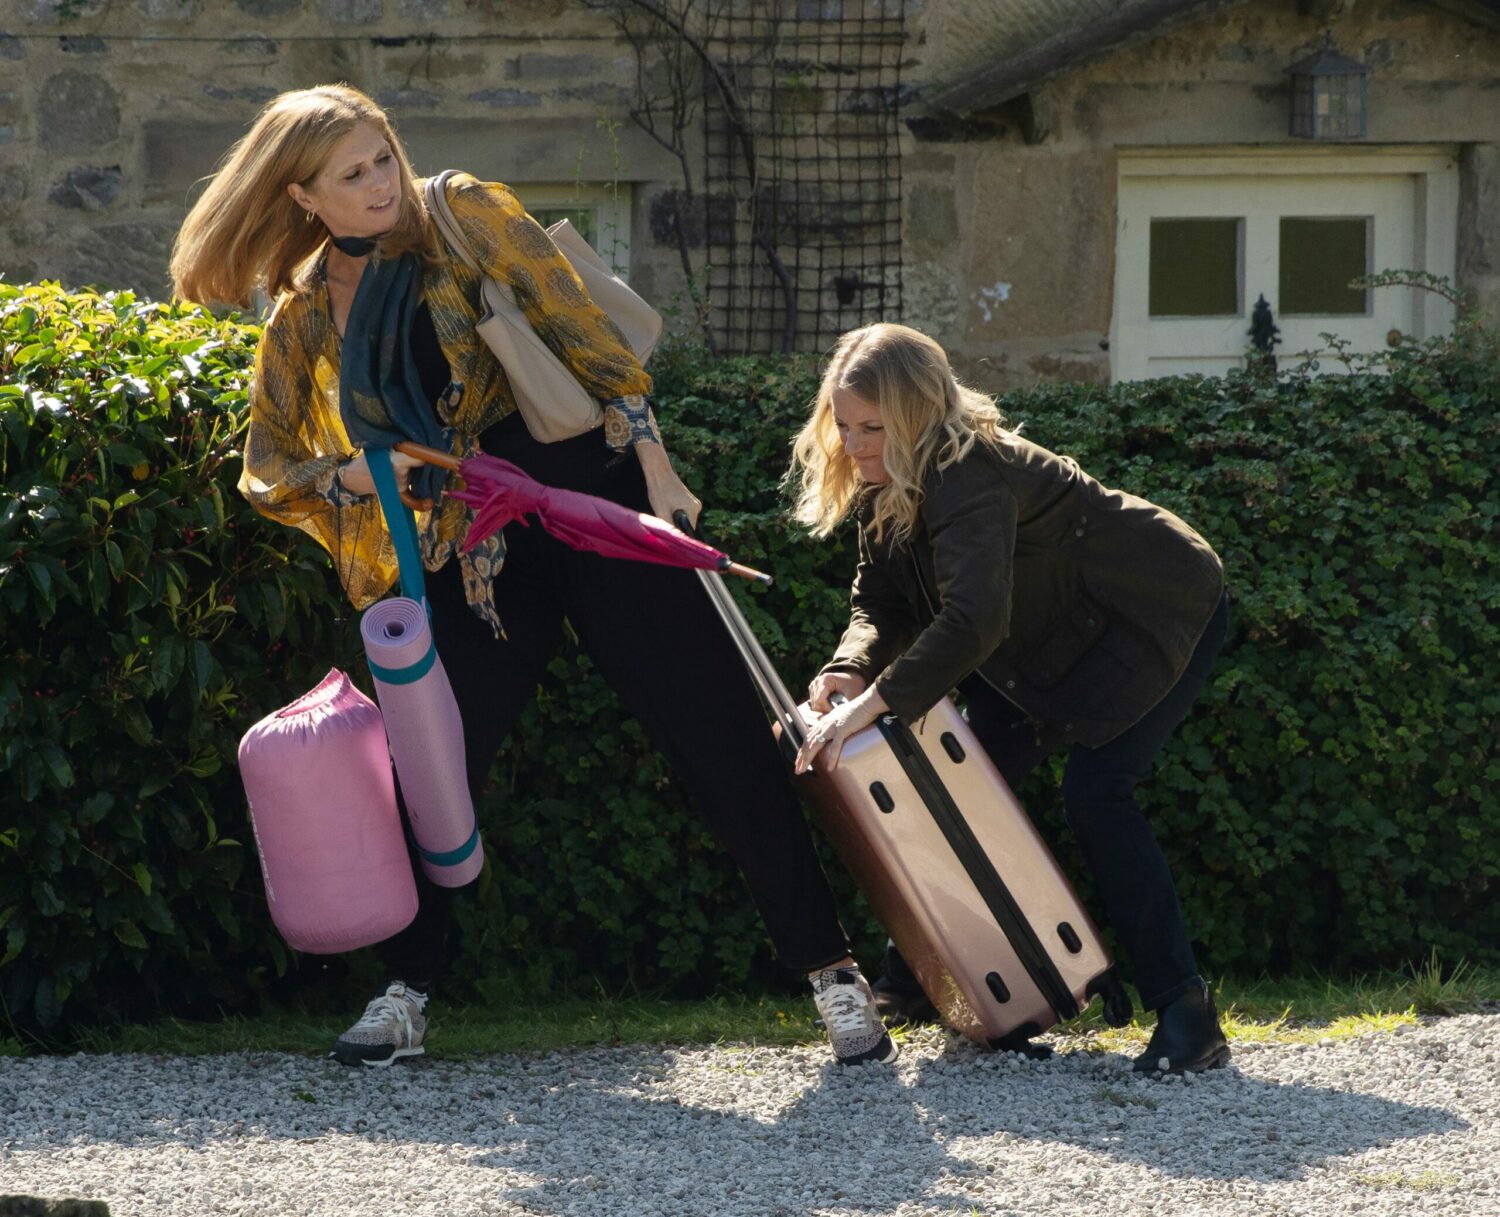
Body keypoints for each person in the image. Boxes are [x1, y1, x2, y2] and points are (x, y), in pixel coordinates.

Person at [169, 84, 896, 1068]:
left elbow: (593, 345)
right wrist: (346, 476)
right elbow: (267, 467)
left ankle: (832, 974)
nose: (382, 182)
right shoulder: (303, 314)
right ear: (304, 196)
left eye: (383, 157)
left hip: (591, 499)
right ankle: (405, 992)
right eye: (353, 174)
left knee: (720, 735)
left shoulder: (463, 213)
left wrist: (658, 471)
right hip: (475, 550)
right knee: (430, 770)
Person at [786, 322, 1232, 1075]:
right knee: (954, 787)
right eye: (845, 425)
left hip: (1154, 608)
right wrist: (850, 668)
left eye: (873, 427)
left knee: (1097, 793)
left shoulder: (969, 470)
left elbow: (974, 619)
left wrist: (875, 704)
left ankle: (1188, 1016)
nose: (854, 444)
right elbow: (880, 601)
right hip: (1047, 648)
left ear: (917, 417)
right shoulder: (888, 476)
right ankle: (916, 981)